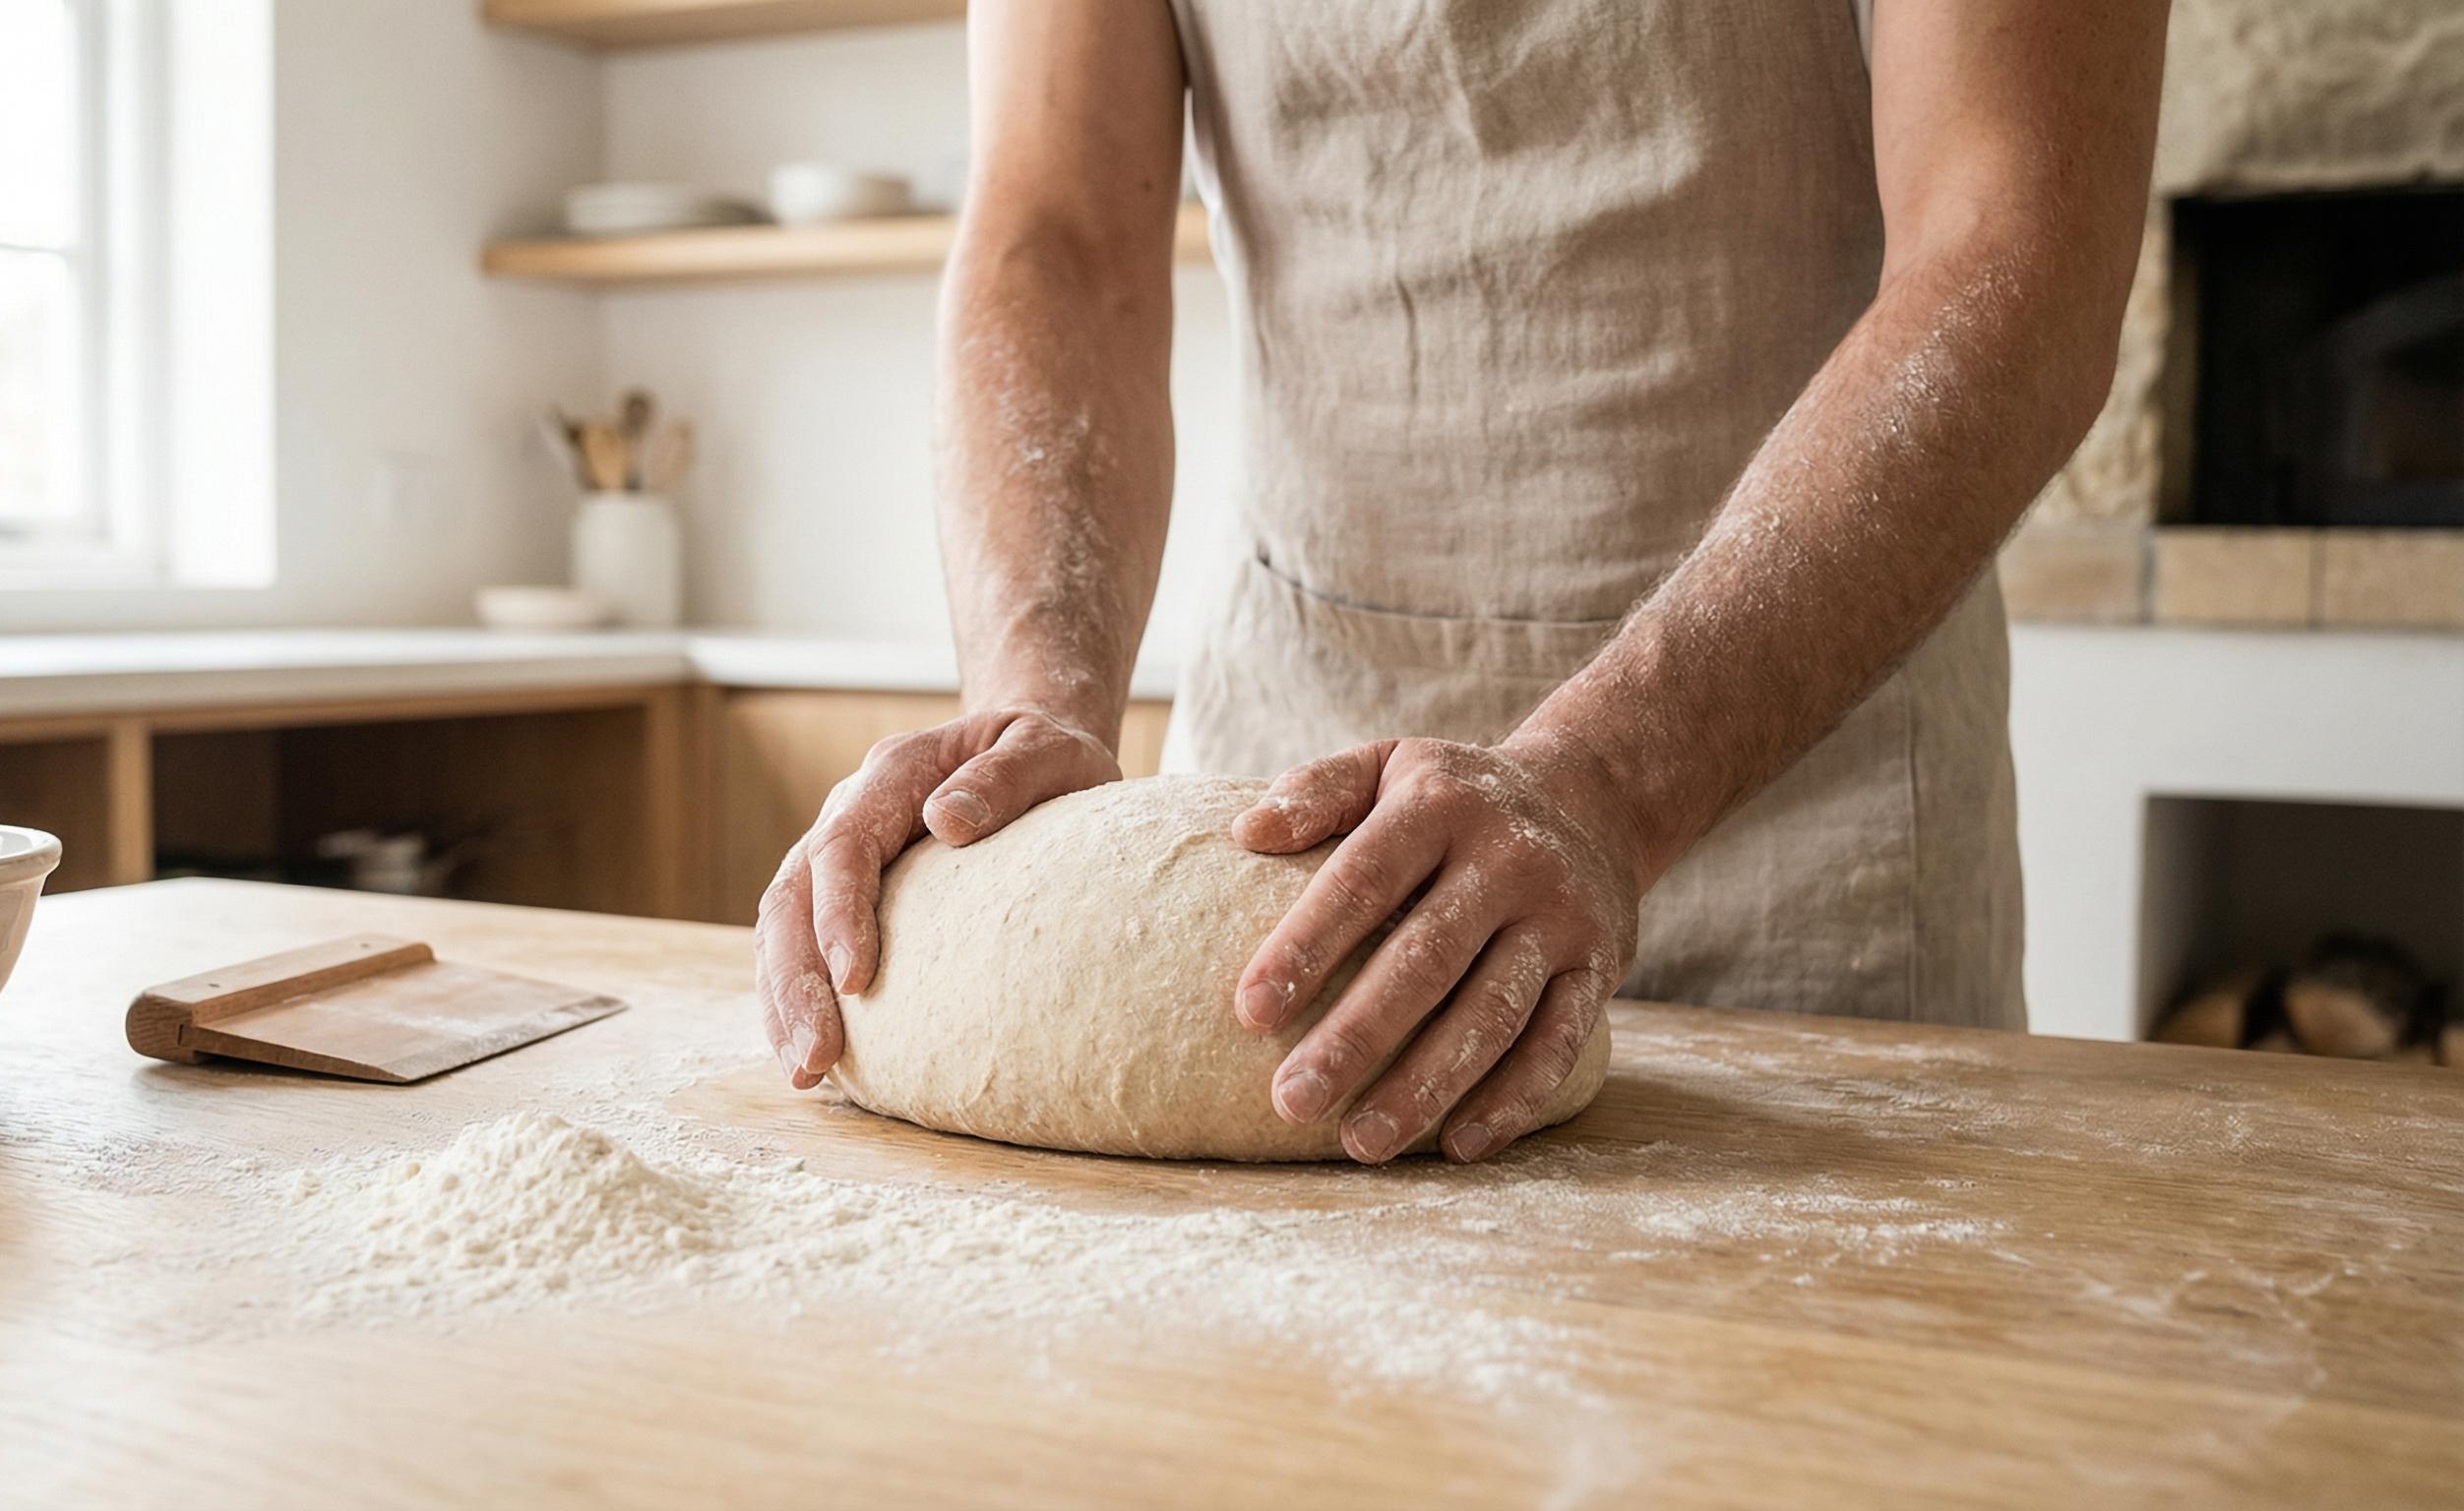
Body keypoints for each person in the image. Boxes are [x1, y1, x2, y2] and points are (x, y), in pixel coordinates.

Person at [757, 0, 2169, 1164]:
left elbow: (2014, 243)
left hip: (1801, 804)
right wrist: (1030, 698)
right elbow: (1054, 230)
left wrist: (1608, 787)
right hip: (1278, 838)